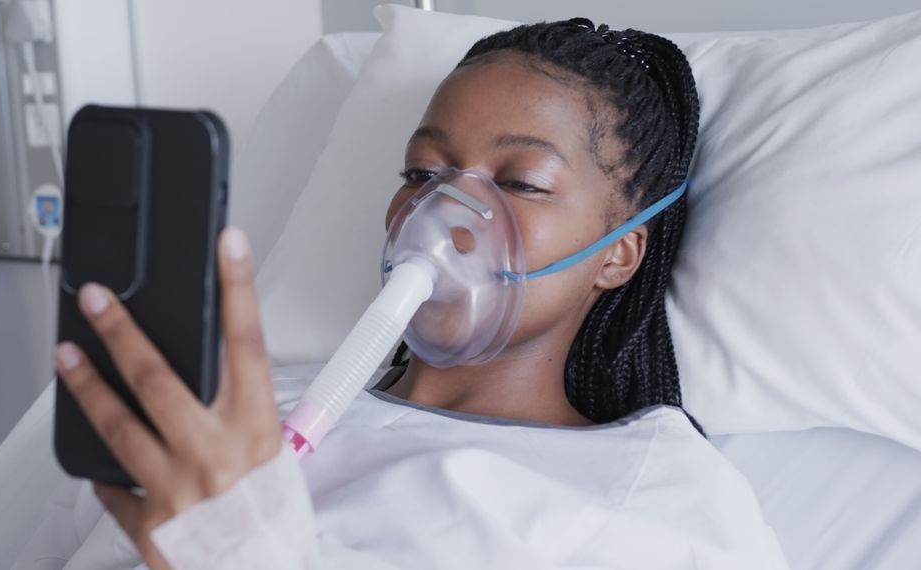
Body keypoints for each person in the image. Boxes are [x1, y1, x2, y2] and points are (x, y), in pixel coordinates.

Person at [52, 19, 788, 569]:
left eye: (519, 183)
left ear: (619, 254)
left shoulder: (661, 499)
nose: (445, 214)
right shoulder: (236, 415)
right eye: (421, 173)